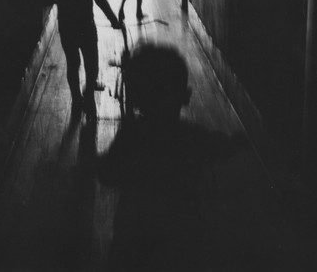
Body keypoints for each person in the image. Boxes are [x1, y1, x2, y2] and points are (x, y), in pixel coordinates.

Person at [98, 43, 246, 270]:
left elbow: (109, 173)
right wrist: (237, 141)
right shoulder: (191, 136)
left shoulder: (130, 136)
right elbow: (220, 147)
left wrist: (97, 163)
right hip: (181, 231)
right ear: (185, 96)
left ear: (136, 98)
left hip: (134, 230)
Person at [43, 0, 120, 119]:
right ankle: (87, 96)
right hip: (86, 28)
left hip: (67, 28)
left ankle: (77, 98)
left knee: (72, 63)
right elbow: (101, 1)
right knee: (91, 65)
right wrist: (113, 19)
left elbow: (44, 0)